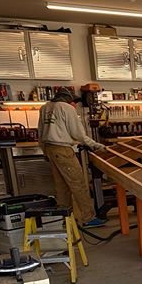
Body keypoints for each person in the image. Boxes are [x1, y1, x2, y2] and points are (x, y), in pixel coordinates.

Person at [38, 88, 107, 228]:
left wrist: (45, 151)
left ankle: (66, 219)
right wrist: (95, 145)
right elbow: (78, 134)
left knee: (62, 186)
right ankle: (88, 218)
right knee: (79, 184)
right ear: (68, 100)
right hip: (63, 150)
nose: (75, 104)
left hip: (50, 149)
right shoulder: (66, 108)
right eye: (73, 102)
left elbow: (40, 132)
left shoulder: (45, 108)